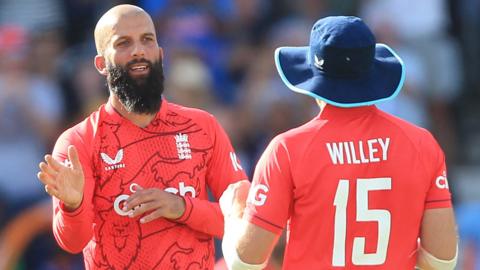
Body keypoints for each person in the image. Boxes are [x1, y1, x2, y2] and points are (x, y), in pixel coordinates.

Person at [220, 16, 458, 269]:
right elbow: (442, 261)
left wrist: (233, 211)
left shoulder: (287, 150)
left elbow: (245, 263)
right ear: (372, 70)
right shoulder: (421, 143)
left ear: (313, 74)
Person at [36, 4, 247, 269]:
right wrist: (74, 204)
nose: (138, 50)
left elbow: (244, 219)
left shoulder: (203, 127)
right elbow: (72, 242)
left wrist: (182, 207)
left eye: (146, 40)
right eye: (123, 43)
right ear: (102, 64)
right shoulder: (78, 142)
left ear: (159, 53)